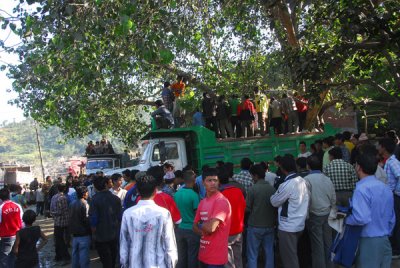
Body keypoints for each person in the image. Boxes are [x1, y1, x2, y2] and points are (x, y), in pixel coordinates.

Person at [346, 150, 395, 268]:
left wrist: (346, 220)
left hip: (368, 240)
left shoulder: (361, 189)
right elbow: (392, 217)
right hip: (385, 238)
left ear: (358, 167)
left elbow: (361, 218)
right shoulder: (385, 187)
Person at [120, 175, 178, 268]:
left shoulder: (128, 214)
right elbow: (170, 245)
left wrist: (124, 264)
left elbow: (124, 245)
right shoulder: (163, 213)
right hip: (158, 264)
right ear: (155, 190)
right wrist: (171, 265)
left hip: (134, 264)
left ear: (137, 191)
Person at [270, 155, 309, 268]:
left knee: (289, 260)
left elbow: (274, 201)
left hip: (288, 227)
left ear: (282, 168)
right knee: (294, 255)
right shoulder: (303, 181)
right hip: (300, 223)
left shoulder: (287, 184)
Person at [193, 168, 232, 267]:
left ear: (219, 182)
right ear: (203, 183)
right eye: (209, 180)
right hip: (203, 255)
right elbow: (194, 226)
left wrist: (201, 224)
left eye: (215, 180)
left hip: (216, 258)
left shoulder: (221, 201)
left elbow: (211, 228)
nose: (213, 183)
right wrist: (203, 228)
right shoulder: (203, 202)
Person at [304, 155, 336, 268]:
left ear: (308, 166)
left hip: (314, 215)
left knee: (317, 246)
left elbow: (306, 200)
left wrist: (306, 216)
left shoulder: (306, 180)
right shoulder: (327, 179)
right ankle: (330, 265)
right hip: (328, 214)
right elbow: (333, 198)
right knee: (329, 243)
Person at [247, 164, 276, 268]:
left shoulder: (252, 189)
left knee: (252, 254)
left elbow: (247, 208)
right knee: (269, 252)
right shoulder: (272, 189)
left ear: (255, 176)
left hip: (255, 226)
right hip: (270, 225)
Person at [89, 176, 122, 268]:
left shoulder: (94, 200)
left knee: (105, 260)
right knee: (112, 258)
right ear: (106, 185)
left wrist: (93, 234)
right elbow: (120, 217)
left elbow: (93, 219)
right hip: (114, 234)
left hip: (101, 236)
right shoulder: (116, 199)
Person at [219, 165, 246, 268]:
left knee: (229, 262)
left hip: (226, 233)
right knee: (238, 258)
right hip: (238, 231)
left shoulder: (220, 195)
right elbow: (244, 207)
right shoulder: (238, 190)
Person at [173, 170, 201, 268]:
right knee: (192, 256)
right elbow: (197, 214)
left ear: (184, 180)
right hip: (191, 229)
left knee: (181, 256)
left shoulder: (176, 194)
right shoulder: (194, 195)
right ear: (194, 181)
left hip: (179, 229)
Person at [378, 138, 400, 257]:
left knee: (396, 222)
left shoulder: (392, 162)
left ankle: (397, 249)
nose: (378, 147)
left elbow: (399, 175)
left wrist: (396, 192)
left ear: (384, 148)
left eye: (379, 145)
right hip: (391, 195)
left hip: (394, 196)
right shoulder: (389, 161)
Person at [0, 187, 23, 267]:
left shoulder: (1, 208)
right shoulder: (17, 206)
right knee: (15, 257)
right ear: (9, 195)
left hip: (6, 236)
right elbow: (22, 221)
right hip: (18, 235)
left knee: (4, 259)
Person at [69, 186, 91, 268]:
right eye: (87, 192)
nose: (88, 194)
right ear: (84, 193)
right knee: (84, 254)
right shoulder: (85, 204)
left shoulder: (72, 203)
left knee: (75, 253)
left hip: (74, 233)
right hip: (83, 233)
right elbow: (86, 219)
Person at [50, 183, 71, 265]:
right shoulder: (63, 198)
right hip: (64, 221)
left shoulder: (54, 197)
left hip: (58, 221)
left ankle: (59, 256)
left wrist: (52, 213)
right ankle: (65, 256)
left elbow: (53, 209)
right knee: (61, 240)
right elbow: (62, 211)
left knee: (59, 239)